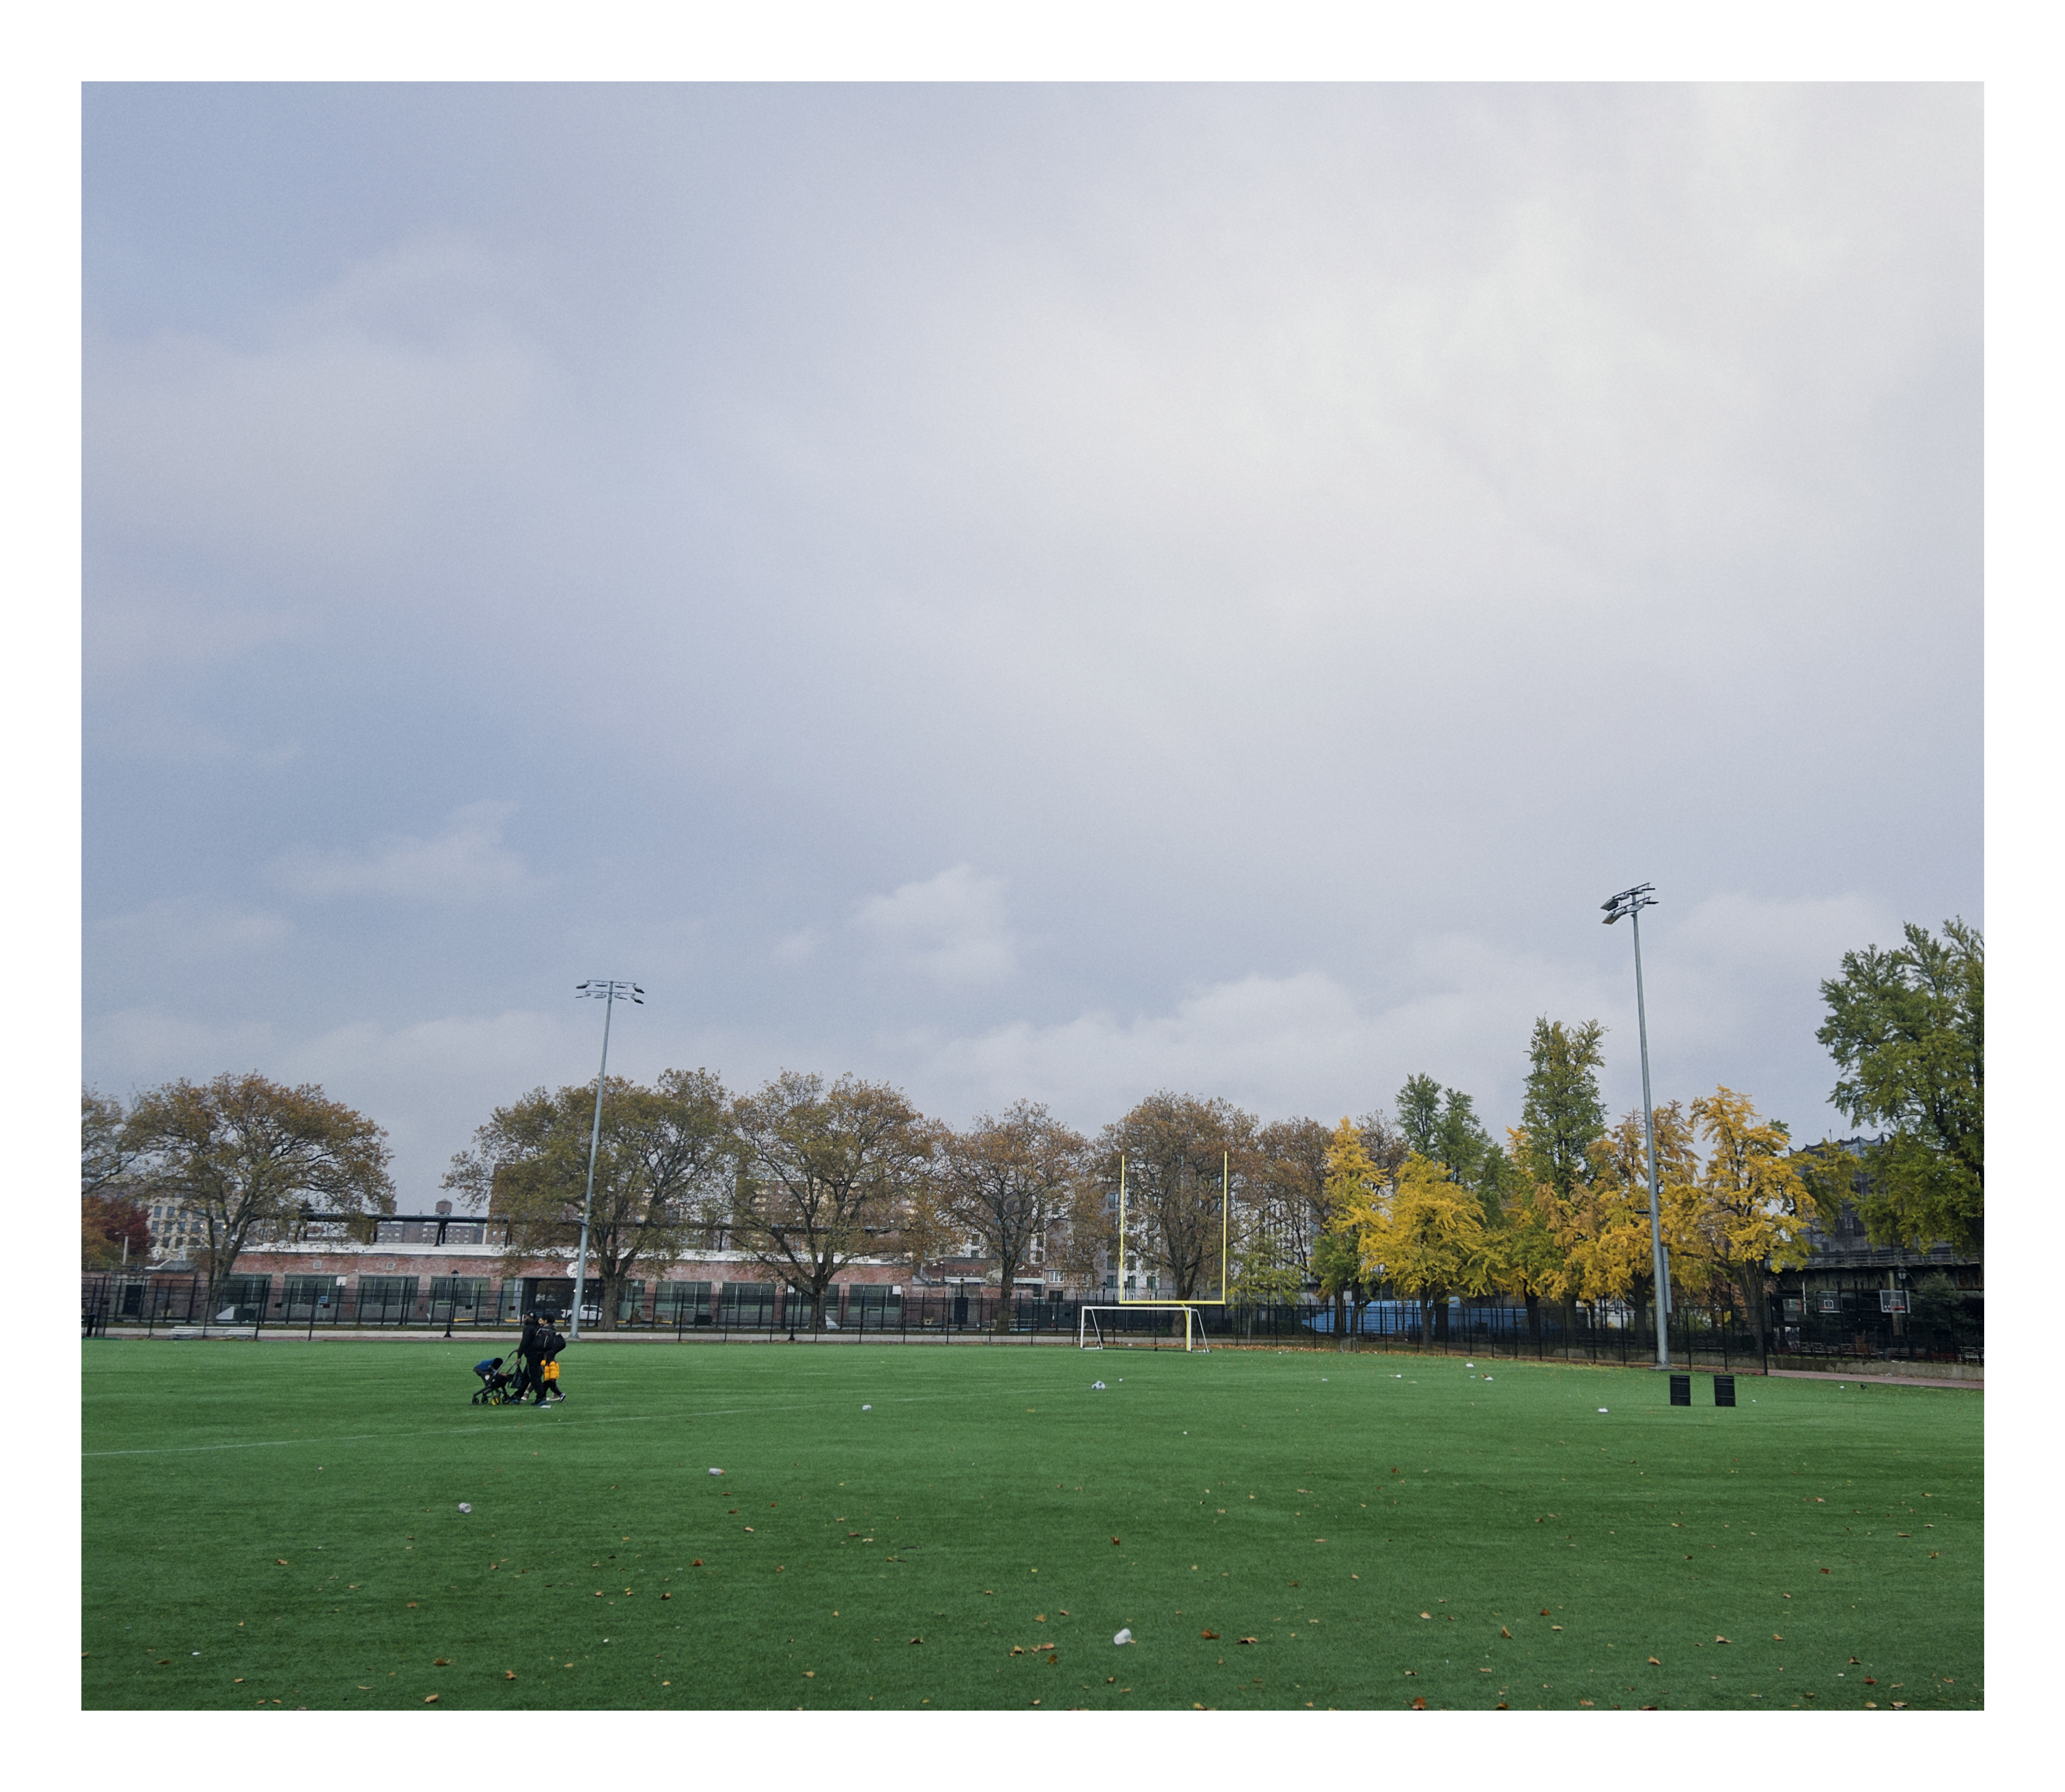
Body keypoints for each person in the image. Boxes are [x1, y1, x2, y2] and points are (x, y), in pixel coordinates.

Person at [509, 1311, 544, 1405]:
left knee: (534, 1377)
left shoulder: (529, 1328)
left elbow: (525, 1342)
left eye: (526, 1317)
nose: (524, 1318)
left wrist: (519, 1355)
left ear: (530, 1318)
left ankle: (541, 1397)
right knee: (526, 1376)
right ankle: (517, 1396)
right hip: (539, 1355)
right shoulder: (538, 1327)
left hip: (532, 1355)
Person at [536, 1322, 568, 1405]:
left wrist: (552, 1379)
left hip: (550, 1379)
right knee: (544, 1388)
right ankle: (542, 1398)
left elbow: (553, 1372)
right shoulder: (547, 1362)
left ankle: (561, 1394)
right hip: (547, 1378)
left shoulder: (552, 1364)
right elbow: (543, 1363)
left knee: (551, 1388)